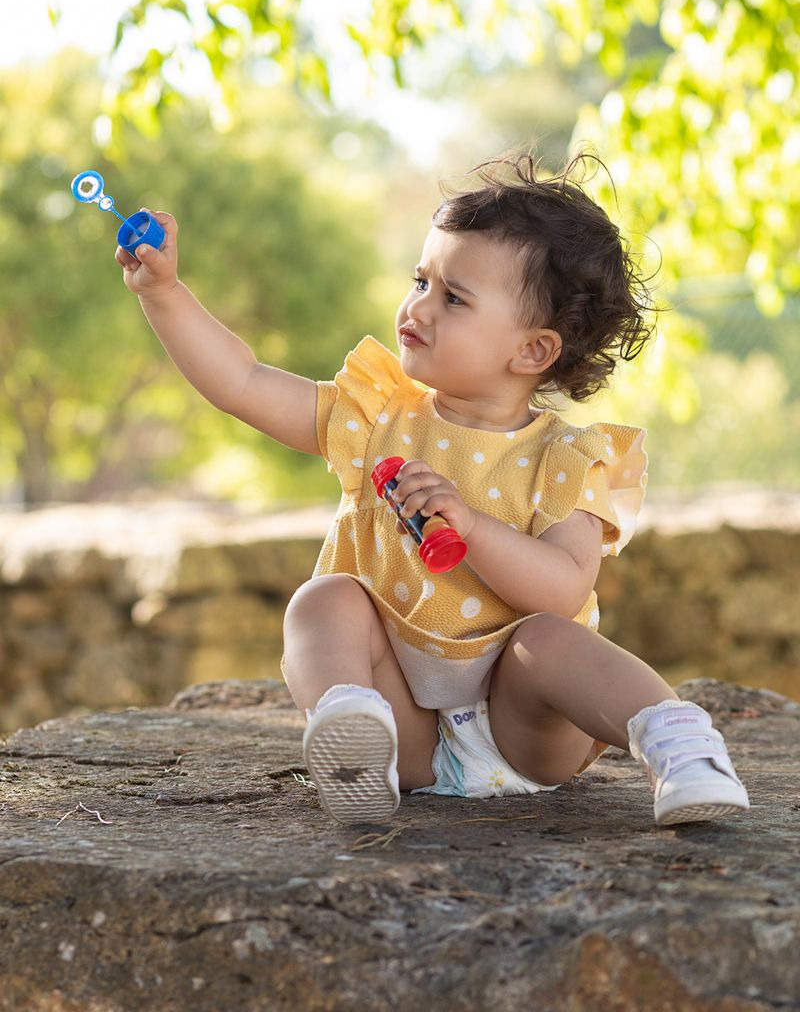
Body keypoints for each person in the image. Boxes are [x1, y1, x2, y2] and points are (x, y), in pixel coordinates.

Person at [116, 151, 750, 829]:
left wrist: (471, 526)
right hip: (406, 731)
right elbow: (242, 383)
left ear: (533, 350)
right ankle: (353, 738)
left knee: (549, 639)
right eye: (421, 280)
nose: (418, 305)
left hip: (525, 728)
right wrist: (164, 295)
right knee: (322, 600)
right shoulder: (377, 419)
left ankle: (679, 747)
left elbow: (564, 588)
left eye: (453, 297)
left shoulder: (566, 459)